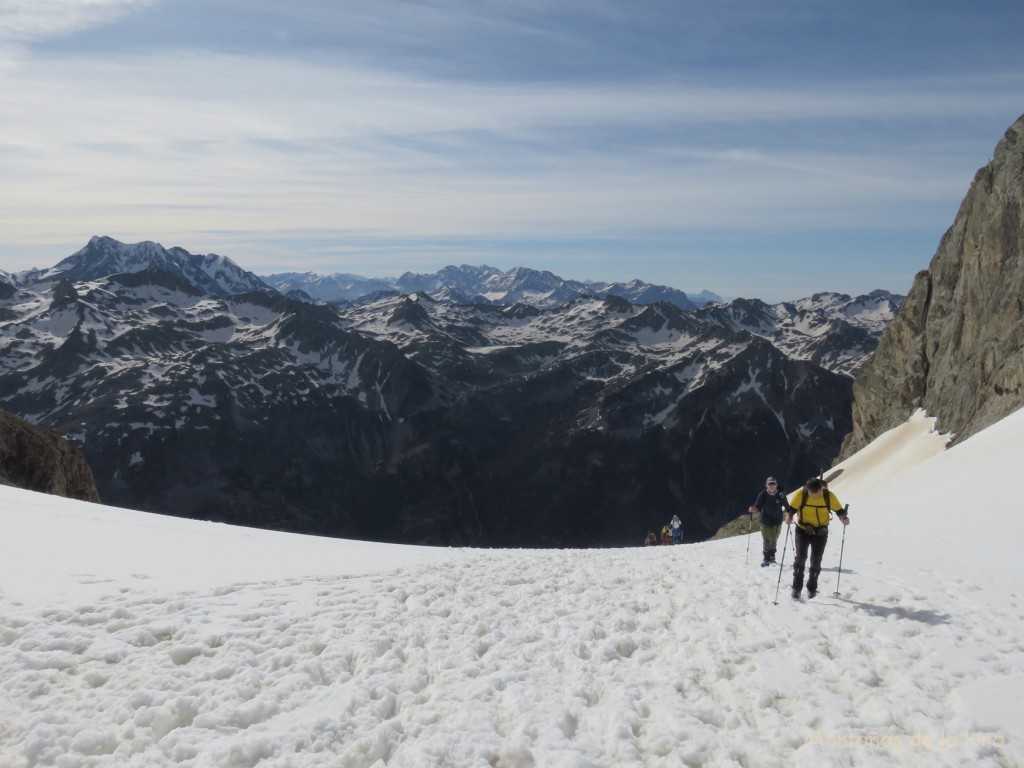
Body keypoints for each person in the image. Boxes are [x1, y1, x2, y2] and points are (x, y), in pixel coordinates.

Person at [785, 477, 849, 599]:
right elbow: (791, 509)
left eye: (817, 491)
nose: (814, 494)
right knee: (800, 558)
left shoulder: (828, 496)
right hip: (803, 530)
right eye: (811, 491)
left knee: (816, 560)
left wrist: (843, 518)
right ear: (807, 488)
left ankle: (811, 588)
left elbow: (839, 511)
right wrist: (788, 517)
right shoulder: (801, 494)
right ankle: (796, 588)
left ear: (821, 488)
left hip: (821, 532)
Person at [749, 476, 790, 567]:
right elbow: (757, 507)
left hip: (777, 521)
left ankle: (772, 557)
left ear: (776, 485)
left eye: (773, 483)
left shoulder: (781, 495)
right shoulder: (762, 495)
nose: (772, 485)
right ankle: (766, 558)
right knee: (766, 540)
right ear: (766, 485)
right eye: (770, 484)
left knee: (774, 540)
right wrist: (753, 509)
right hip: (765, 521)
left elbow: (787, 507)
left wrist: (788, 517)